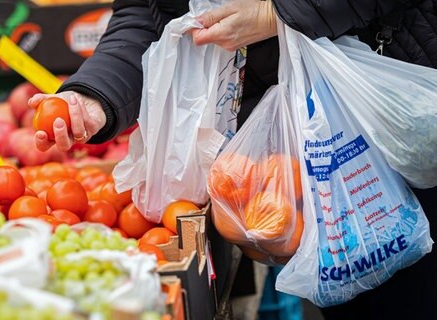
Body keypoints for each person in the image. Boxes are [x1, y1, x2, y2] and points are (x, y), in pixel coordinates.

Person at [28, 1, 437, 319]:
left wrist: (280, 12)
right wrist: (93, 95)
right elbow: (149, 14)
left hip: (392, 102)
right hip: (298, 150)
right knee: (358, 289)